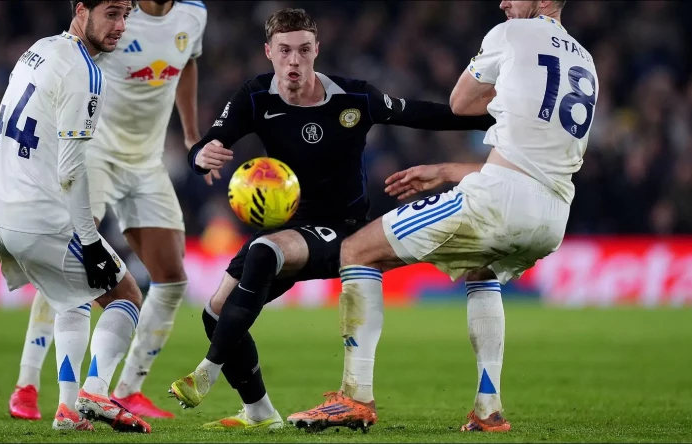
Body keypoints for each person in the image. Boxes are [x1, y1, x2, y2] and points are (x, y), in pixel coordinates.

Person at [166, 7, 495, 430]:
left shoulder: (353, 97)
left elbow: (422, 114)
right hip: (288, 226)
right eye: (284, 50)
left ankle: (205, 373)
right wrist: (199, 157)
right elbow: (209, 143)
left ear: (317, 50)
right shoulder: (255, 96)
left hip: (344, 229)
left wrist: (500, 118)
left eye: (303, 50)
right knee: (215, 313)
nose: (294, 60)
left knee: (264, 252)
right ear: (268, 52)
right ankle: (260, 413)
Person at [288, 0, 597, 433]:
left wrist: (500, 91)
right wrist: (448, 171)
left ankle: (354, 397)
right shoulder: (585, 62)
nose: (503, 3)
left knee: (357, 250)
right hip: (552, 215)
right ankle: (488, 410)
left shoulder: (511, 33)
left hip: (499, 199)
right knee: (482, 268)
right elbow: (532, 162)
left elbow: (460, 103)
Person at [7, 0, 207, 421]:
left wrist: (191, 135)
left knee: (172, 278)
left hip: (147, 162)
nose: (120, 21)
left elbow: (188, 63)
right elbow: (72, 66)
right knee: (70, 262)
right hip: (94, 153)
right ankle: (27, 382)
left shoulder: (194, 14)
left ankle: (128, 389)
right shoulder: (117, 16)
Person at [0, 0, 151, 433]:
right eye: (111, 13)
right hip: (35, 217)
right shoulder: (84, 71)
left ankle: (68, 410)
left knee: (71, 298)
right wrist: (89, 241)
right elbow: (71, 169)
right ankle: (95, 392)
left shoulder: (38, 49)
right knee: (127, 296)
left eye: (126, 15)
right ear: (81, 10)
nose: (121, 25)